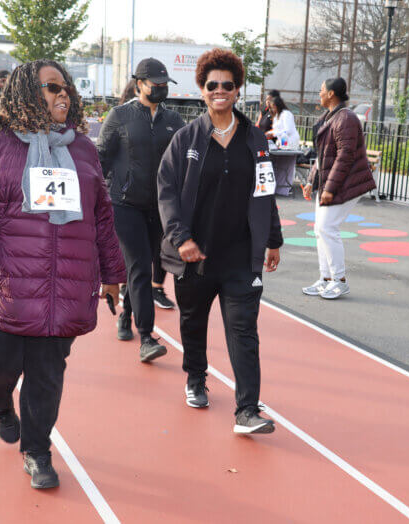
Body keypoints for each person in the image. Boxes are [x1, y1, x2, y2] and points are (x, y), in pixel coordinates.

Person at [0, 60, 125, 489]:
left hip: (63, 290)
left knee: (47, 376)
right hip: (4, 289)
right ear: (27, 92)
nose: (64, 94)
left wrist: (112, 273)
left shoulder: (83, 148)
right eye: (51, 87)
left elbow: (102, 216)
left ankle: (38, 451)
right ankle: (1, 408)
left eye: (67, 88)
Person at [158, 48, 282, 434]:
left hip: (242, 256)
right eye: (213, 85)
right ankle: (195, 377)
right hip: (195, 255)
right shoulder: (185, 139)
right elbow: (166, 191)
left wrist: (273, 239)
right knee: (193, 323)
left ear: (237, 90)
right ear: (202, 90)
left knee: (244, 330)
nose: (220, 90)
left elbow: (266, 192)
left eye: (228, 85)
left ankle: (247, 410)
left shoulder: (255, 137)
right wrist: (181, 239)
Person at [97, 58, 185, 361]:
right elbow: (101, 159)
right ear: (139, 84)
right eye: (155, 85)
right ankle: (147, 336)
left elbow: (187, 161)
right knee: (138, 265)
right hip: (124, 204)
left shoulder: (174, 119)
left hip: (158, 207)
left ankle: (125, 317)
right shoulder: (119, 116)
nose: (161, 90)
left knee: (145, 266)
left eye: (164, 85)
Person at [302, 77, 375, 299]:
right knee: (320, 230)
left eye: (322, 90)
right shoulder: (330, 117)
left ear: (332, 93)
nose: (319, 93)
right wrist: (310, 181)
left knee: (327, 228)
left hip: (344, 183)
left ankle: (339, 280)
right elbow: (322, 156)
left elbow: (345, 156)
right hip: (331, 182)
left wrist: (330, 189)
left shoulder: (346, 118)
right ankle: (326, 279)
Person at [265, 94, 300, 196]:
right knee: (278, 162)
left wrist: (273, 133)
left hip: (290, 141)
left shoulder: (286, 114)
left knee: (286, 163)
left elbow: (288, 130)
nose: (272, 109)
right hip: (282, 142)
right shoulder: (277, 116)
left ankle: (284, 187)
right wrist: (271, 133)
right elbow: (278, 130)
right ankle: (277, 186)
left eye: (273, 107)